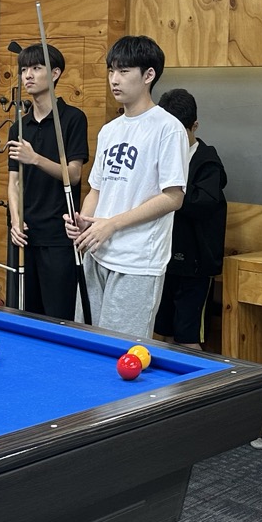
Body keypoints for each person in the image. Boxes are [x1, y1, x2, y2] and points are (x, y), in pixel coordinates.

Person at [66, 36, 188, 339]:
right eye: (111, 71)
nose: (114, 79)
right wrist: (84, 222)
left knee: (120, 351)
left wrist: (112, 224)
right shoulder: (109, 130)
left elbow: (173, 197)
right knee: (85, 342)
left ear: (148, 75)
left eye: (124, 71)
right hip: (97, 253)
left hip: (137, 262)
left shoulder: (168, 128)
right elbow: (96, 189)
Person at [6, 42, 89, 320]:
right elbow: (14, 182)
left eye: (36, 68)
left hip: (59, 236)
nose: (28, 75)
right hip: (25, 235)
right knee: (25, 315)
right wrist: (15, 221)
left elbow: (74, 174)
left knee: (58, 317)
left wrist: (35, 158)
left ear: (55, 73)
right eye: (24, 69)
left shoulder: (73, 119)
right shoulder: (18, 126)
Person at [152, 89, 227, 350]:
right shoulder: (158, 155)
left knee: (188, 337)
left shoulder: (207, 161)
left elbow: (203, 202)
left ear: (194, 126)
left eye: (179, 132)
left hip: (195, 264)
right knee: (163, 332)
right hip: (164, 259)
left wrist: (172, 191)